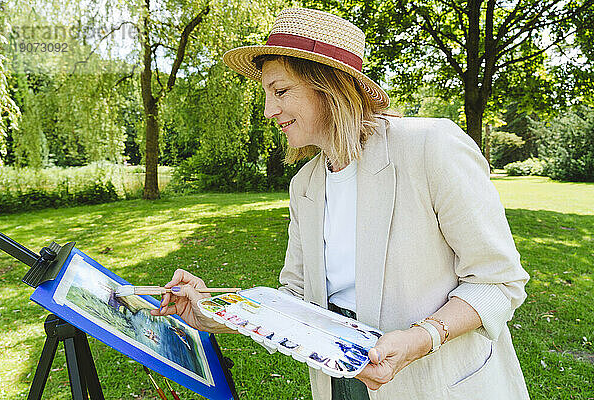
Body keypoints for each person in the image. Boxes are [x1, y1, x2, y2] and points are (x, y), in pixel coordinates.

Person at [151, 7, 531, 400]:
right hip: (339, 384)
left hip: (436, 383)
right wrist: (213, 312)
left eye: (280, 91)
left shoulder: (431, 146)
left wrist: (422, 338)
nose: (269, 111)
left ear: (328, 87)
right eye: (267, 95)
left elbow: (498, 282)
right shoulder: (305, 185)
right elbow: (296, 300)